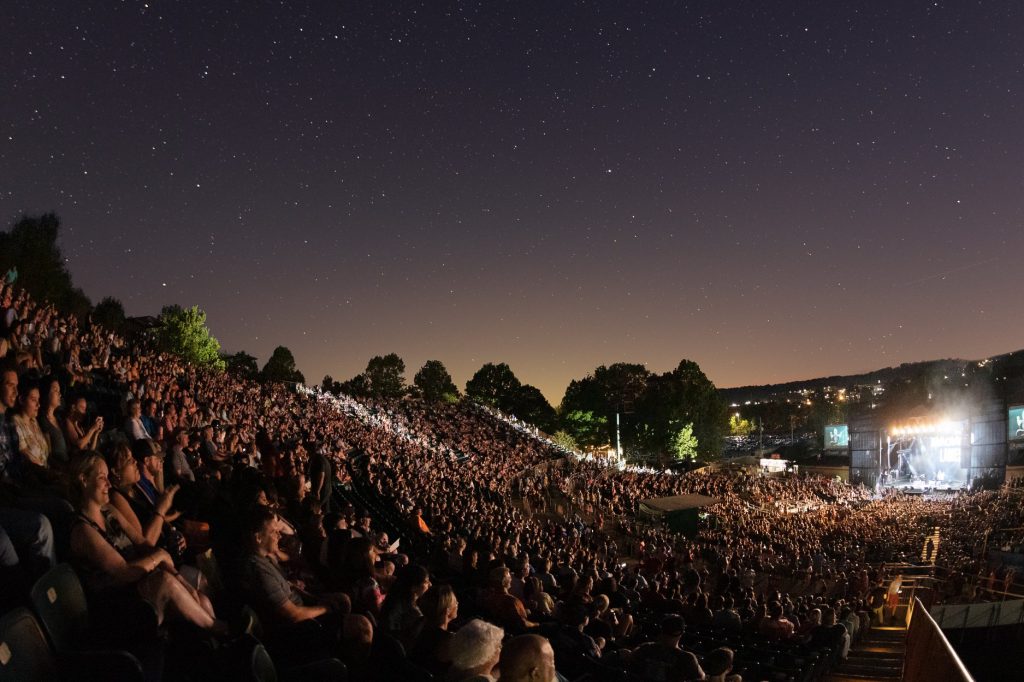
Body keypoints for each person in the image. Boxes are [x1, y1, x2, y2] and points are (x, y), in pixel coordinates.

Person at [68, 452, 223, 632]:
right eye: (102, 478)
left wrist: (180, 578)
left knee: (200, 599)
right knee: (165, 581)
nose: (108, 484)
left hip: (141, 582)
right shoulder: (83, 530)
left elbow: (141, 542)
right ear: (83, 480)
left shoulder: (108, 510)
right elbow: (123, 572)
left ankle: (216, 643)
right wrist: (159, 557)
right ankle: (220, 629)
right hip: (118, 603)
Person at [629, 615, 705, 682]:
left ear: (662, 630)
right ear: (682, 633)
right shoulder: (687, 658)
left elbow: (630, 662)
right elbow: (701, 677)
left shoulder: (645, 648)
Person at [410, 584, 458, 675]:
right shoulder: (448, 640)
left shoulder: (418, 624)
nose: (457, 604)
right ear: (447, 611)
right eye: (456, 602)